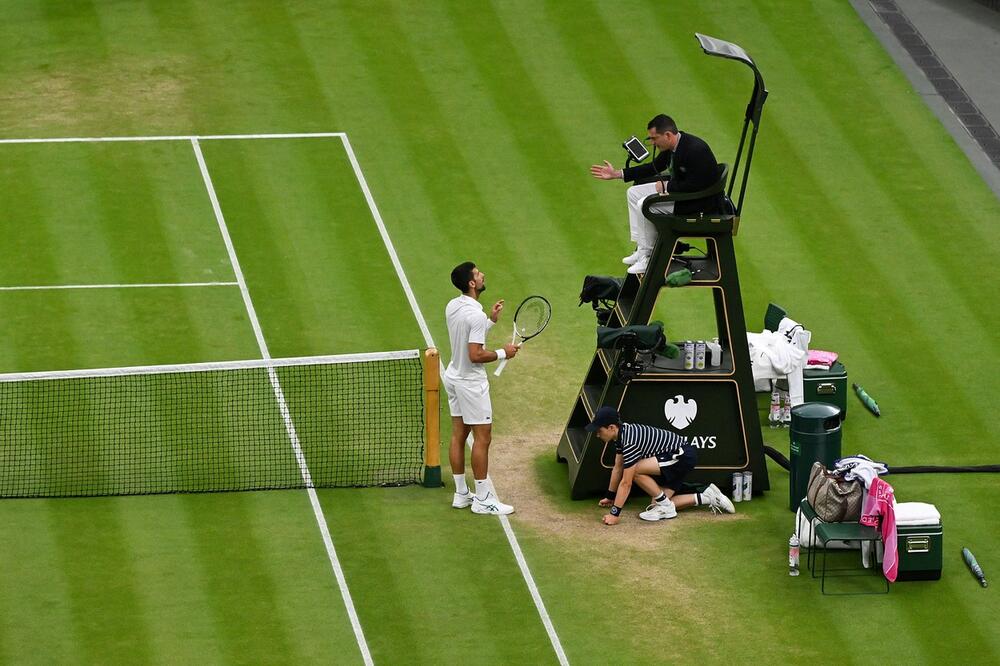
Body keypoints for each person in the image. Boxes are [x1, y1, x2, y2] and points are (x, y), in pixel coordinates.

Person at [590, 114, 722, 275]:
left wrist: (667, 186)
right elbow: (654, 166)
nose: (652, 143)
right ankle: (641, 249)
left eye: (654, 138)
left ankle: (648, 257)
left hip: (698, 203)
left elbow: (700, 185)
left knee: (644, 204)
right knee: (634, 193)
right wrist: (618, 174)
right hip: (681, 193)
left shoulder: (695, 150)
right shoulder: (672, 147)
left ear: (668, 135)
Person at [444, 261, 519, 516]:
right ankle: (483, 499)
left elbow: (466, 334)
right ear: (471, 283)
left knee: (458, 435)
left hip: (453, 377)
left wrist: (490, 321)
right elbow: (475, 354)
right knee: (483, 438)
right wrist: (503, 353)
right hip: (471, 384)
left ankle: (461, 494)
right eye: (477, 274)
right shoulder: (474, 315)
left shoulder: (453, 306)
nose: (482, 274)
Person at [584, 406, 735, 524]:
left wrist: (614, 514)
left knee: (634, 471)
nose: (597, 434)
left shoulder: (629, 441)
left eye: (599, 430)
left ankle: (666, 506)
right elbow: (617, 468)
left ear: (612, 428)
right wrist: (610, 496)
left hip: (681, 455)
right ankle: (708, 497)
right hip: (678, 456)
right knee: (658, 506)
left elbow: (626, 483)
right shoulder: (621, 436)